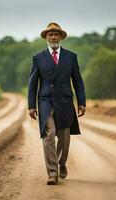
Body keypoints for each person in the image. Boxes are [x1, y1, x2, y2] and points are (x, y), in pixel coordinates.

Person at [27, 22, 86, 185]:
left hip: (65, 101)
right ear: (46, 37)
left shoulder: (71, 57)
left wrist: (82, 102)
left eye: (56, 34)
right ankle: (52, 173)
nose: (53, 37)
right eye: (50, 34)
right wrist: (31, 105)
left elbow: (78, 81)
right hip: (46, 101)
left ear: (60, 37)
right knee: (48, 136)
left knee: (64, 138)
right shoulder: (38, 58)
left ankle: (61, 164)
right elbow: (32, 83)